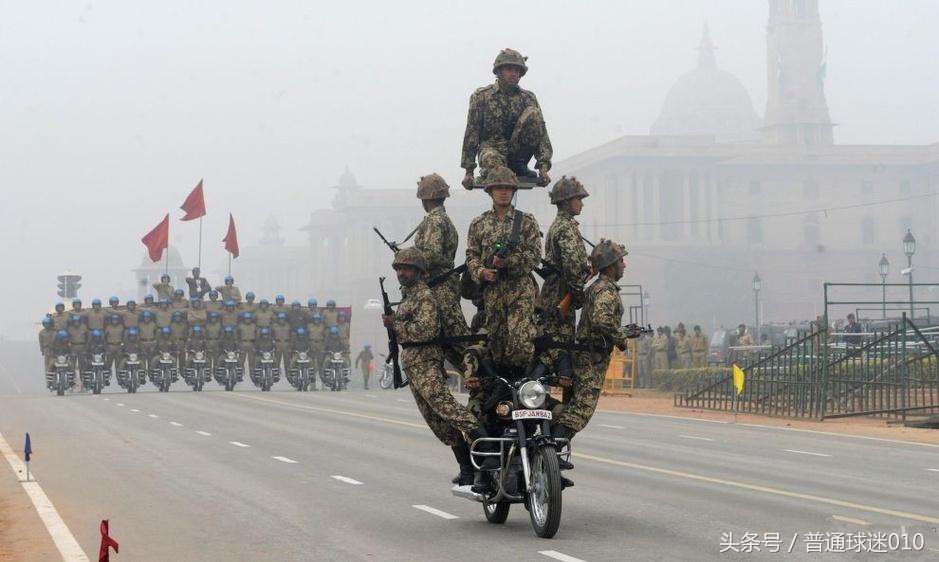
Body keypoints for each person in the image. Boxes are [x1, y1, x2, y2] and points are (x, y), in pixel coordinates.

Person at [381, 247, 485, 486]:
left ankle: (484, 442)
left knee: (447, 409)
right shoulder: (408, 296)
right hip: (413, 365)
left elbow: (426, 331)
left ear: (418, 271)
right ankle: (467, 468)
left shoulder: (424, 296)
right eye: (399, 269)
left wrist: (395, 323)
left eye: (407, 269)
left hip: (426, 362)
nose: (401, 273)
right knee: (438, 422)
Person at [554, 239, 639, 478]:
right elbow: (602, 321)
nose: (624, 264)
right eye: (621, 260)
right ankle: (550, 448)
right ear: (611, 265)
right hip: (591, 358)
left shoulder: (597, 287)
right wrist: (621, 336)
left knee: (571, 406)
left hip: (585, 354)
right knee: (582, 409)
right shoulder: (606, 290)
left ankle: (549, 453)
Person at [464, 166, 541, 373]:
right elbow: (471, 256)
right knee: (496, 345)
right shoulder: (478, 224)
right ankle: (501, 390)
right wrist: (482, 272)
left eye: (508, 188)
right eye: (498, 187)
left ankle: (522, 386)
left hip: (520, 292)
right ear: (490, 191)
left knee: (520, 343)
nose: (504, 192)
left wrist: (509, 262)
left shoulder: (526, 221)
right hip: (493, 293)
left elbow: (535, 256)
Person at [461, 48, 552, 188]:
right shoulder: (481, 97)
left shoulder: (528, 98)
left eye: (517, 71)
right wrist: (469, 172)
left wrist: (543, 168)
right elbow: (472, 133)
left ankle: (518, 166)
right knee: (497, 169)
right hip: (492, 151)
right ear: (499, 71)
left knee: (534, 114)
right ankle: (492, 171)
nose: (514, 74)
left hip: (518, 155)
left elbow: (541, 135)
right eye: (509, 69)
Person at [538, 175, 593, 396]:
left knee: (554, 344)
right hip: (561, 294)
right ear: (566, 201)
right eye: (578, 198)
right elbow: (572, 268)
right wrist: (577, 297)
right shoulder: (566, 228)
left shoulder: (561, 226)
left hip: (555, 292)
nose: (581, 203)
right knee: (558, 348)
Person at [413, 173, 471, 371]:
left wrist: (409, 259)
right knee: (448, 340)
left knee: (457, 337)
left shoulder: (435, 221)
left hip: (439, 286)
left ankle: (483, 374)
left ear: (425, 199)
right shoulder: (441, 219)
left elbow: (431, 255)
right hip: (442, 284)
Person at [271, 312, 291, 377]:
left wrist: (291, 344)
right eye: (280, 319)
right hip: (278, 344)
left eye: (283, 319)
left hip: (286, 344)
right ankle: (276, 374)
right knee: (277, 360)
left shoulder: (288, 325)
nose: (281, 320)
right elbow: (271, 335)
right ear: (278, 319)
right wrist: (273, 343)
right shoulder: (274, 326)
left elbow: (292, 335)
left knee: (287, 360)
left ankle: (288, 374)